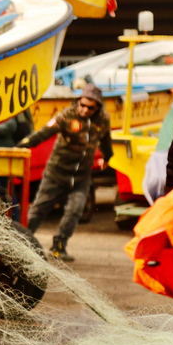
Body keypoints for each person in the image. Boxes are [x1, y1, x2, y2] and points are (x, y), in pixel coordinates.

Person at [16, 83, 112, 262]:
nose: (84, 110)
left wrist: (108, 157)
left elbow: (106, 140)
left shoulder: (103, 119)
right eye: (82, 105)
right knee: (39, 210)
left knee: (75, 210)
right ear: (78, 102)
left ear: (97, 107)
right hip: (57, 173)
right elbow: (42, 134)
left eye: (90, 108)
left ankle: (59, 246)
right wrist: (21, 146)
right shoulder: (66, 116)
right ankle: (20, 244)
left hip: (81, 176)